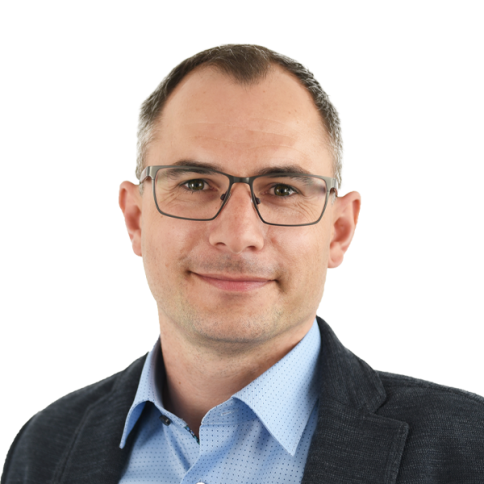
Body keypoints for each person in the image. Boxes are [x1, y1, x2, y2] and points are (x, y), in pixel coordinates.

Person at [2, 44, 483, 484]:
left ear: (339, 231)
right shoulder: (44, 450)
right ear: (135, 219)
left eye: (283, 190)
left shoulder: (469, 452)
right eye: (195, 184)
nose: (237, 234)